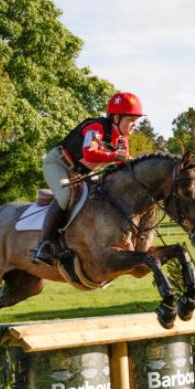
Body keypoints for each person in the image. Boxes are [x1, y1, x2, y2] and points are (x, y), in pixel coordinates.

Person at [32, 91, 145, 266]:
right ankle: (44, 245)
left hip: (82, 173)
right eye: (130, 120)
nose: (134, 126)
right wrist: (116, 156)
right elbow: (89, 153)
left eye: (136, 122)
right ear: (116, 118)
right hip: (59, 164)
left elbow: (121, 167)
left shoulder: (123, 140)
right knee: (65, 196)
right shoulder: (97, 128)